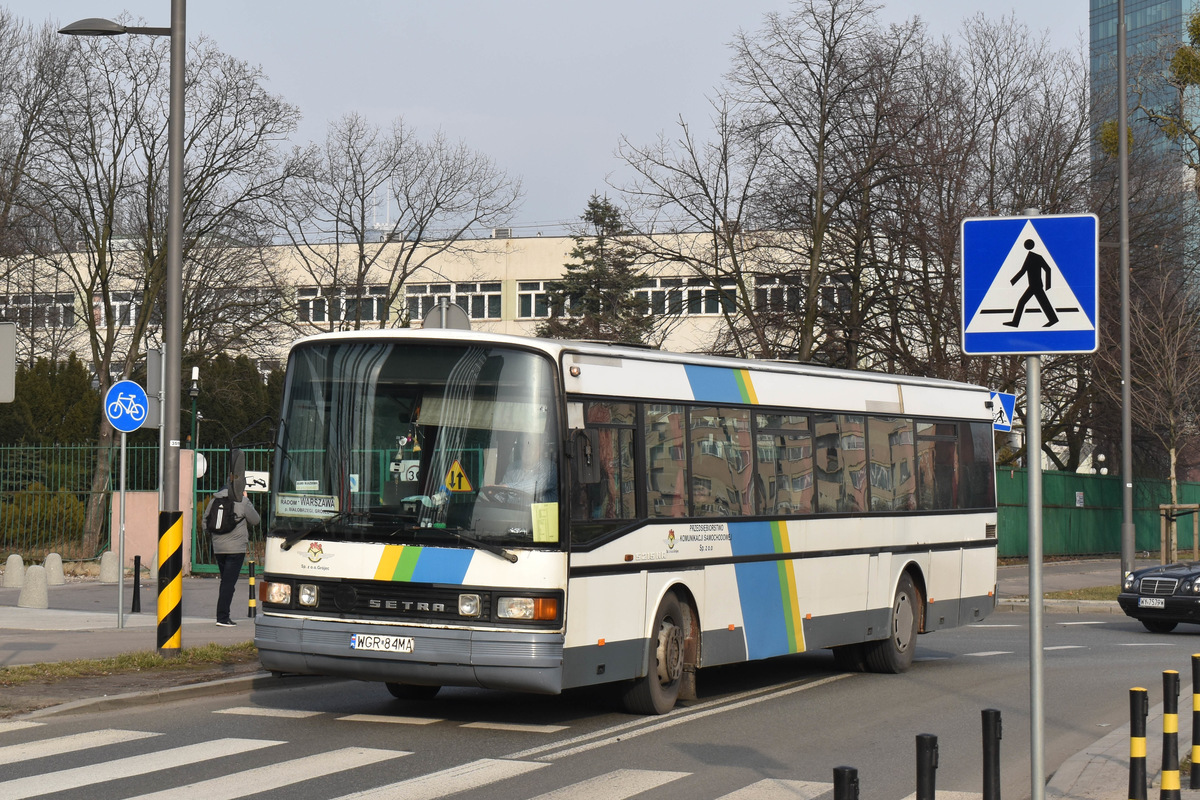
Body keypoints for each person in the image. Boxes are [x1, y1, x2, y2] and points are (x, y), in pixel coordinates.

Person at [206, 477, 260, 627]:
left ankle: (222, 615)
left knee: (225, 582)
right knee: (228, 584)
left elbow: (205, 523)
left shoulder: (213, 501)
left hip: (218, 548)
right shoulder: (242, 501)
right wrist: (246, 500)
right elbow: (256, 520)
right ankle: (222, 618)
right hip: (236, 549)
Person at [500, 433, 558, 501]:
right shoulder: (512, 468)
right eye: (522, 445)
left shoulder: (549, 468)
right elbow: (501, 494)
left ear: (540, 448)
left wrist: (508, 487)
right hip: (513, 511)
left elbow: (535, 485)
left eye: (530, 445)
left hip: (537, 511)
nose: (526, 450)